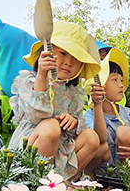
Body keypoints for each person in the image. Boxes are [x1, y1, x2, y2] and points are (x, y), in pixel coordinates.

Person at [8, 21, 102, 180]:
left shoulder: (73, 92)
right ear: (46, 53)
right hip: (32, 148)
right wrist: (42, 76)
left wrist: (73, 121)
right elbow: (35, 115)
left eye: (76, 58)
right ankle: (33, 183)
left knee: (91, 137)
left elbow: (79, 129)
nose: (69, 62)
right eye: (63, 53)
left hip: (60, 151)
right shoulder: (29, 80)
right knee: (51, 127)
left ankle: (61, 183)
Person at [84, 48, 130, 170]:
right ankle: (90, 179)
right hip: (100, 172)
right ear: (100, 85)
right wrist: (97, 105)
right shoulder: (88, 116)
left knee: (124, 131)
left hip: (126, 169)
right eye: (114, 79)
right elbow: (98, 139)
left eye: (121, 80)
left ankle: (129, 177)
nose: (121, 85)